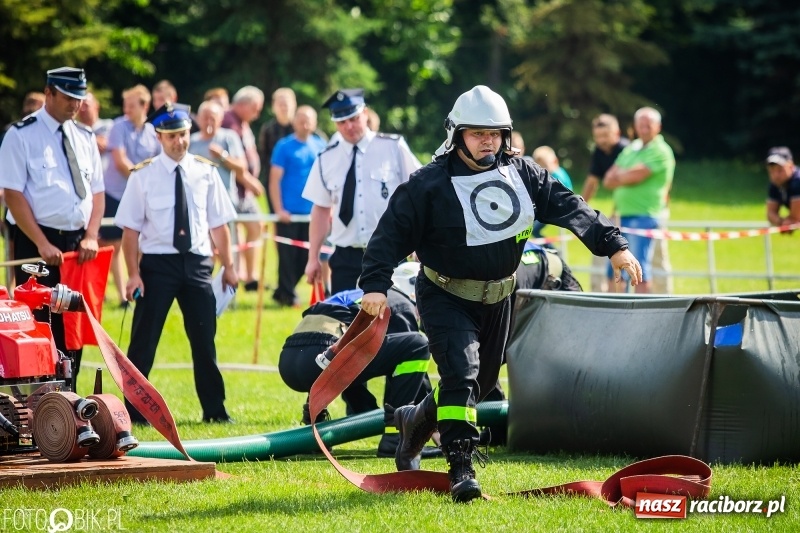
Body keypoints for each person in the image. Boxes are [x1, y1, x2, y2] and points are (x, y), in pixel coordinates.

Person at [357, 85, 641, 502]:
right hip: (445, 296)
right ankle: (461, 468)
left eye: (495, 133)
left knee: (479, 381)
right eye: (477, 133)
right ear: (457, 135)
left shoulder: (523, 173)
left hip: (501, 297)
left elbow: (568, 205)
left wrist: (613, 245)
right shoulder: (428, 184)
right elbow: (389, 235)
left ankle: (414, 421)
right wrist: (376, 286)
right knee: (461, 374)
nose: (488, 141)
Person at [115, 103, 238, 424]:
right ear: (159, 137)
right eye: (171, 136)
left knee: (204, 340)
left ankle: (215, 410)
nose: (179, 142)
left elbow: (219, 226)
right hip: (157, 266)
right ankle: (133, 411)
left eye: (183, 134)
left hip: (197, 263)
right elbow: (130, 232)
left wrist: (230, 265)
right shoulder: (143, 175)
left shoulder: (206, 171)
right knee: (143, 342)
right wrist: (133, 275)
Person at [0, 67, 105, 389]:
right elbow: (13, 195)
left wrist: (90, 235)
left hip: (77, 245)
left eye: (79, 98)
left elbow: (97, 193)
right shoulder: (22, 135)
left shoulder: (85, 137)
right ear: (49, 93)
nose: (75, 105)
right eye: (68, 98)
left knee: (75, 320)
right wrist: (42, 243)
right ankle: (44, 396)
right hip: (36, 243)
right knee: (41, 319)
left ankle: (70, 392)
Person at [278, 263, 439, 462]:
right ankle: (395, 438)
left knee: (354, 350)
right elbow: (412, 364)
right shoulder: (399, 302)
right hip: (328, 352)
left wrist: (364, 413)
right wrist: (432, 423)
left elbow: (353, 353)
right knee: (418, 344)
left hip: (290, 359)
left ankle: (315, 426)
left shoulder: (355, 294)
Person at [302, 88, 422, 295]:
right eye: (341, 122)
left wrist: (421, 243)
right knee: (348, 324)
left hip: (391, 252)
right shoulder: (326, 158)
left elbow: (419, 196)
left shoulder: (393, 147)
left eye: (354, 118)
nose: (349, 126)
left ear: (365, 113)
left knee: (394, 320)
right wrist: (313, 258)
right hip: (346, 258)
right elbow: (320, 210)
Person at [603, 107, 674, 294]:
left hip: (644, 216)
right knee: (616, 267)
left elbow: (637, 175)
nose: (643, 128)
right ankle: (617, 311)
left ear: (658, 126)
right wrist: (624, 175)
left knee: (639, 269)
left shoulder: (661, 150)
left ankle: (641, 314)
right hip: (621, 217)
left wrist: (622, 175)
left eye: (648, 124)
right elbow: (608, 178)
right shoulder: (630, 149)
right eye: (640, 124)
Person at [102, 84, 161, 307]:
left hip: (144, 196)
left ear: (144, 106)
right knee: (114, 246)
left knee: (141, 244)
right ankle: (121, 295)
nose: (126, 110)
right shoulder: (118, 127)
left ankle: (139, 286)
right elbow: (120, 161)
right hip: (116, 194)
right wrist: (142, 182)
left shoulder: (152, 131)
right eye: (124, 105)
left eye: (131, 105)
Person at [268, 105, 327, 307]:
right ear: (294, 122)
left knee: (305, 257)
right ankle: (287, 294)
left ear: (315, 122)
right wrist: (278, 209)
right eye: (301, 119)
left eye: (309, 119)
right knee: (287, 256)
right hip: (289, 213)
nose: (305, 123)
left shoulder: (320, 145)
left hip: (313, 214)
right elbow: (274, 179)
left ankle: (282, 292)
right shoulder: (284, 146)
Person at [223, 86, 266, 291]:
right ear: (242, 104)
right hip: (234, 189)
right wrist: (249, 180)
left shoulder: (242, 123)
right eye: (255, 108)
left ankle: (250, 276)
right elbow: (232, 160)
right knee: (236, 231)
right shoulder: (229, 122)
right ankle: (240, 275)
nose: (257, 113)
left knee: (255, 226)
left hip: (243, 191)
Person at [581, 114, 629, 292]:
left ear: (617, 132)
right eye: (597, 137)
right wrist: (579, 205)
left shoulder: (627, 150)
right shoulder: (599, 152)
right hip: (614, 211)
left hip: (629, 210)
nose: (601, 141)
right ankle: (601, 294)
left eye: (605, 136)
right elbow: (592, 181)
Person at [190, 100, 248, 208]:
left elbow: (242, 167)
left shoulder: (229, 137)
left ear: (220, 120)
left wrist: (222, 156)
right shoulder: (191, 141)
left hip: (224, 200)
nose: (208, 122)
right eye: (205, 118)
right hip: (198, 200)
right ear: (198, 119)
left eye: (212, 118)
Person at [531, 145, 574, 242]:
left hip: (559, 208)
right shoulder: (555, 174)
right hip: (553, 206)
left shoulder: (557, 175)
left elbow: (565, 193)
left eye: (545, 166)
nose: (543, 170)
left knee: (535, 229)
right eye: (540, 168)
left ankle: (549, 248)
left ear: (555, 161)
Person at [258, 87, 297, 192]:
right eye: (280, 105)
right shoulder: (267, 129)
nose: (283, 108)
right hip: (274, 180)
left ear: (294, 105)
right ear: (273, 106)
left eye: (286, 104)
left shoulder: (302, 127)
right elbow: (263, 155)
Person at [764, 146, 800, 230]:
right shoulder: (775, 184)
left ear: (790, 166)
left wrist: (787, 223)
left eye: (780, 170)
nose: (775, 175)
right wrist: (781, 222)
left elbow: (795, 218)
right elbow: (770, 214)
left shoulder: (798, 181)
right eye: (771, 170)